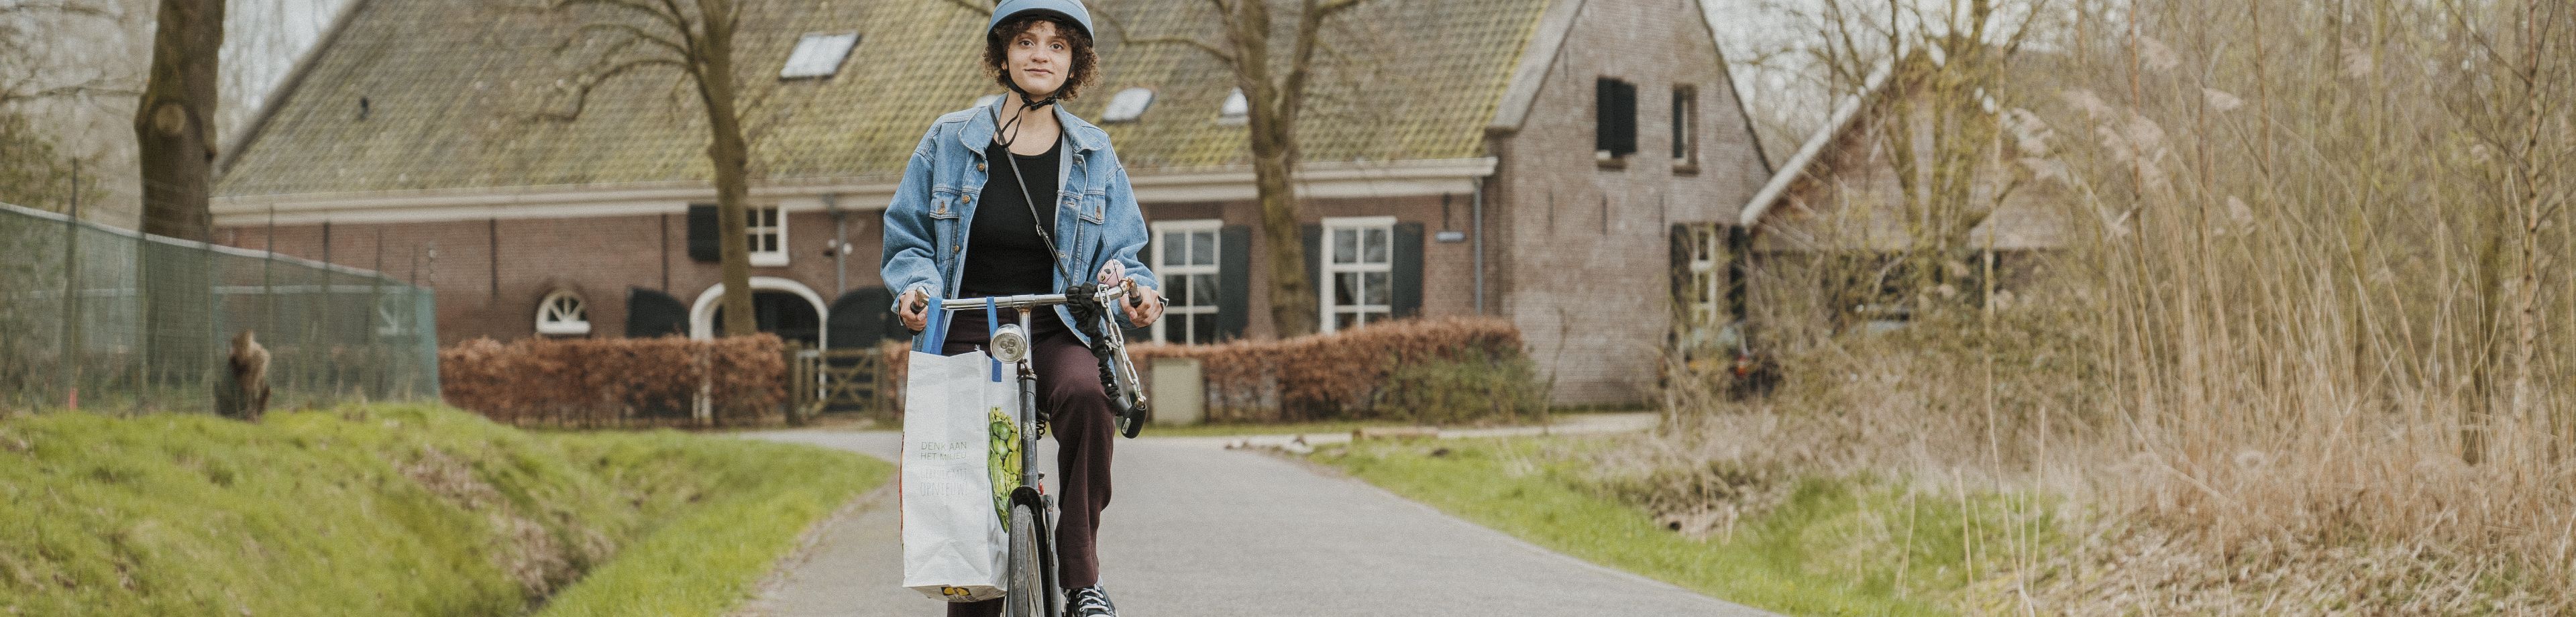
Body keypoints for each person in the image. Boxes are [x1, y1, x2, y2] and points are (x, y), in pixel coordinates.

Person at [879, 1, 1163, 615]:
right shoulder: (950, 140)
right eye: (1027, 41)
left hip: (1057, 325)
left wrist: (1139, 292)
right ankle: (975, 583)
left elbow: (1124, 253)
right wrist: (916, 291)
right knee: (973, 477)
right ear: (1003, 53)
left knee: (1089, 397)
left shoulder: (1094, 150)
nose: (1041, 54)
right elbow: (908, 239)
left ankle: (1082, 575)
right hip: (967, 325)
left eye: (1058, 45)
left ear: (1074, 63)